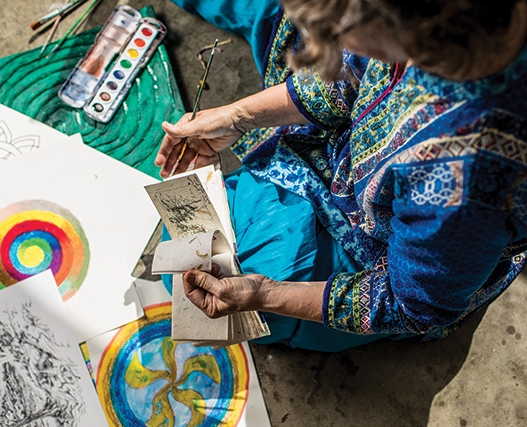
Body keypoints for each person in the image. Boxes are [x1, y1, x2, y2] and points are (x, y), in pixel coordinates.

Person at [154, 0, 527, 352]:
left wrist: (265, 294)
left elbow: (412, 304)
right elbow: (352, 72)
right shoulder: (435, 26)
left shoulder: (459, 187)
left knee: (241, 263)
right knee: (277, 19)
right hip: (354, 154)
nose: (320, 48)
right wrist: (238, 116)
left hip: (371, 243)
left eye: (333, 34)